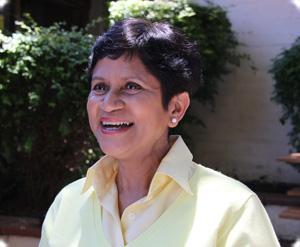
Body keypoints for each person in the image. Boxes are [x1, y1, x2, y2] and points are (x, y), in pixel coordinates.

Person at [39, 18, 280, 247]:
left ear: (176, 107)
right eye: (100, 87)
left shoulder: (233, 208)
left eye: (131, 87)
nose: (108, 104)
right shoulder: (68, 204)